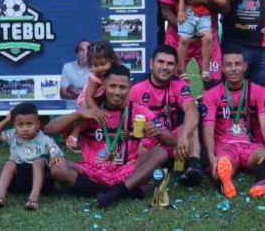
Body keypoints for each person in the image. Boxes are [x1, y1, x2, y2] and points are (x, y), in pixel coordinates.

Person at [44, 64, 175, 209]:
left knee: (160, 152)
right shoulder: (92, 111)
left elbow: (172, 141)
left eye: (122, 87)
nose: (117, 92)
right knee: (57, 169)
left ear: (130, 87)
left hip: (126, 170)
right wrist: (79, 113)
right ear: (104, 85)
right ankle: (122, 191)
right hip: (92, 170)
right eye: (112, 86)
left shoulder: (138, 111)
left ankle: (114, 192)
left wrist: (158, 131)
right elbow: (48, 130)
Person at [201, 46, 265, 198]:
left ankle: (262, 183)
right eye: (229, 65)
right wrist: (210, 157)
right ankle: (225, 183)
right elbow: (208, 129)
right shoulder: (211, 94)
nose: (233, 69)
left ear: (245, 66)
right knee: (222, 164)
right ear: (222, 68)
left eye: (237, 64)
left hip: (252, 145)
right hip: (225, 144)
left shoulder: (259, 91)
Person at [129, 45, 204, 185]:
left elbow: (192, 111)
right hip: (148, 143)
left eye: (170, 63)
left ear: (176, 68)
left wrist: (182, 136)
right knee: (136, 149)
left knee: (191, 123)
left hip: (172, 139)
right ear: (151, 63)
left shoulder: (179, 84)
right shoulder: (136, 88)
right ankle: (167, 162)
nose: (165, 67)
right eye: (161, 62)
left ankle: (194, 167)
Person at [0, 103, 66, 210]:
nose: (25, 129)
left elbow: (58, 156)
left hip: (41, 182)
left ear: (37, 124)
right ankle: (0, 196)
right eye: (20, 125)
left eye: (29, 124)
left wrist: (55, 157)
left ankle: (34, 197)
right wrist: (6, 120)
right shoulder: (13, 135)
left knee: (38, 162)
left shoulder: (45, 140)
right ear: (14, 125)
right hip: (18, 182)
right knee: (9, 163)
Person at [176, 0, 229, 82]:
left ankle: (205, 69)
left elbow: (222, 3)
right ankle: (181, 68)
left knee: (208, 38)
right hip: (190, 13)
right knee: (184, 39)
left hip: (205, 17)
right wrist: (181, 10)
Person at [59, 40, 92, 110]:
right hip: (72, 113)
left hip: (91, 112)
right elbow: (63, 94)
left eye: (88, 49)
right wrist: (84, 94)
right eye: (81, 50)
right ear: (77, 54)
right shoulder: (68, 67)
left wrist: (73, 89)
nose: (85, 53)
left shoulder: (97, 68)